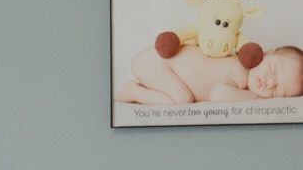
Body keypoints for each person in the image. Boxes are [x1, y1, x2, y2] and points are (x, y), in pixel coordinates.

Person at [120, 40, 303, 107]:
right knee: (181, 99)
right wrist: (255, 98)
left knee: (180, 95)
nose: (270, 83)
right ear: (266, 53)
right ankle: (135, 91)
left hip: (160, 67)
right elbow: (218, 94)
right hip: (156, 62)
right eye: (273, 70)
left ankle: (145, 88)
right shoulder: (239, 71)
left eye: (278, 91)